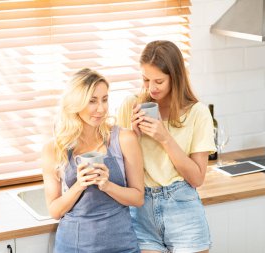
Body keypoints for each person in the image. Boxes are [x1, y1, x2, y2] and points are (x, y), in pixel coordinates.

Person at [117, 40, 216, 253]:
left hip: (183, 208)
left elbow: (197, 178)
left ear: (175, 77)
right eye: (145, 79)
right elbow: (119, 171)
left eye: (158, 81)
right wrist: (131, 136)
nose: (150, 88)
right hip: (141, 211)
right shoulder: (130, 106)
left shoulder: (198, 113)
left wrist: (165, 138)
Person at [42, 68, 144, 253]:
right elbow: (55, 211)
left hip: (121, 246)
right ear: (76, 104)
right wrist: (80, 185)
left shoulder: (124, 139)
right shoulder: (54, 149)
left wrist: (107, 185)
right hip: (73, 246)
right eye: (92, 101)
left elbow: (138, 198)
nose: (101, 109)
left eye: (105, 99)